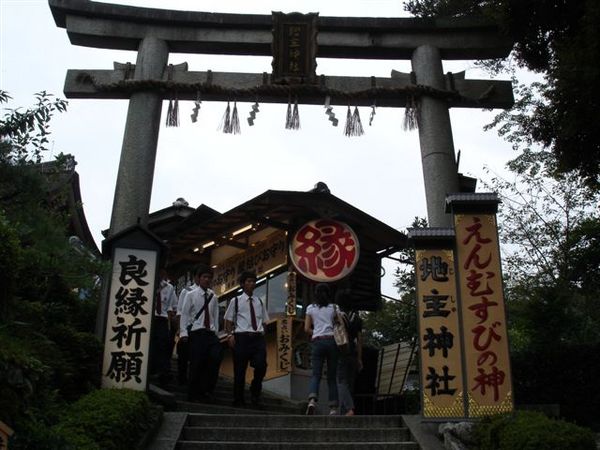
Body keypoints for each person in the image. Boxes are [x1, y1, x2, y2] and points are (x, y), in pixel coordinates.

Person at [224, 271, 270, 408]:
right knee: (240, 370)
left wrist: (263, 333)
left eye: (253, 281)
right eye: (248, 281)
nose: (251, 284)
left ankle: (255, 392)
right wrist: (230, 335)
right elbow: (227, 320)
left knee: (261, 366)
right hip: (241, 337)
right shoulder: (236, 300)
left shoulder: (259, 301)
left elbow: (265, 320)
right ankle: (238, 400)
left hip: (257, 338)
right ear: (243, 284)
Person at [179, 265, 223, 402]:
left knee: (215, 359)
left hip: (210, 334)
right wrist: (183, 333)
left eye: (209, 277)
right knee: (196, 364)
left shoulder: (213, 297)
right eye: (204, 277)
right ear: (199, 278)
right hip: (196, 333)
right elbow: (184, 314)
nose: (207, 279)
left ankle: (208, 390)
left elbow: (215, 316)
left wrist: (215, 331)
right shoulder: (190, 294)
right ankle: (193, 394)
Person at [304, 283, 339, 415]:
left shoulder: (310, 308)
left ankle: (312, 401)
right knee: (331, 376)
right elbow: (339, 325)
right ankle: (333, 408)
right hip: (332, 341)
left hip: (317, 342)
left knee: (316, 374)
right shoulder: (334, 307)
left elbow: (306, 329)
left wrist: (316, 332)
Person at [335, 291, 363, 416]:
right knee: (349, 384)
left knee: (341, 381)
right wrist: (360, 358)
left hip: (341, 351)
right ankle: (344, 412)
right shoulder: (357, 318)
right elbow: (360, 340)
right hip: (353, 353)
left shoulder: (338, 316)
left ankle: (349, 408)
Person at [151, 268, 178, 387]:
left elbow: (172, 307)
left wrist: (172, 326)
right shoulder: (149, 283)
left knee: (163, 346)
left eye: (163, 272)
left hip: (162, 319)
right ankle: (152, 370)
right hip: (148, 318)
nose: (162, 274)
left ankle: (163, 374)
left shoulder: (169, 287)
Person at [174, 274, 199, 385]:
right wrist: (180, 329)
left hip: (198, 329)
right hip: (187, 327)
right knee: (184, 355)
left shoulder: (209, 293)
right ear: (196, 277)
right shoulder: (187, 291)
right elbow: (180, 311)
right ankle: (182, 378)